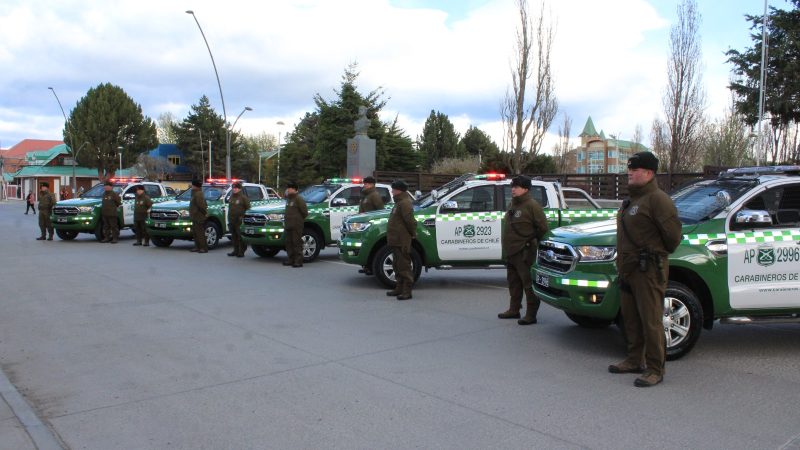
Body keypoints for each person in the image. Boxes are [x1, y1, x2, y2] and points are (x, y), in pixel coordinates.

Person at [608, 151, 682, 388]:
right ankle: (634, 359)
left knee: (651, 321)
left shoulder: (658, 200)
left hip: (648, 269)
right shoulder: (632, 200)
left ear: (649, 173)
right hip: (629, 269)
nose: (630, 172)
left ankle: (655, 369)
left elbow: (673, 238)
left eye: (635, 169)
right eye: (629, 169)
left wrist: (652, 254)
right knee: (630, 318)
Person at [498, 176, 549, 324]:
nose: (513, 189)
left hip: (524, 252)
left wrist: (532, 244)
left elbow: (543, 228)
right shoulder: (513, 204)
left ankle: (531, 314)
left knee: (528, 284)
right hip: (512, 251)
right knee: (513, 282)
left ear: (526, 189)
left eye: (517, 187)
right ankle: (514, 310)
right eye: (512, 186)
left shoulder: (532, 205)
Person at [385, 179, 417, 300]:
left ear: (398, 190)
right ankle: (399, 287)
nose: (392, 191)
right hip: (395, 239)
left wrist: (413, 234)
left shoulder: (405, 203)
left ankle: (407, 291)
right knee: (396, 264)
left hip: (401, 239)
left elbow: (410, 221)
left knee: (404, 265)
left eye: (393, 189)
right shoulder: (399, 203)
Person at [282, 181, 308, 267]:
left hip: (296, 225)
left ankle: (298, 261)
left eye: (290, 188)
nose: (288, 190)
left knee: (296, 243)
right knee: (289, 243)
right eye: (288, 188)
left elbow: (305, 212)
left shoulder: (298, 199)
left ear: (295, 189)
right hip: (288, 224)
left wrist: (298, 220)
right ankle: (291, 259)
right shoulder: (289, 199)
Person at [227, 181, 250, 257]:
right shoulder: (231, 197)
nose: (234, 189)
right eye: (233, 188)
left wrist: (243, 217)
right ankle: (235, 250)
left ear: (240, 189)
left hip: (239, 220)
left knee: (240, 237)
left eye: (236, 188)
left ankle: (241, 251)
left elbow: (248, 209)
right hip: (232, 220)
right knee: (234, 237)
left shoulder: (243, 198)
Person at [189, 179, 208, 253]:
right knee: (195, 233)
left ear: (195, 186)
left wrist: (205, 213)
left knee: (200, 233)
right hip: (194, 216)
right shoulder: (194, 193)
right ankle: (197, 247)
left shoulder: (199, 194)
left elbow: (201, 205)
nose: (191, 186)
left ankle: (203, 248)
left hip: (199, 216)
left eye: (193, 185)